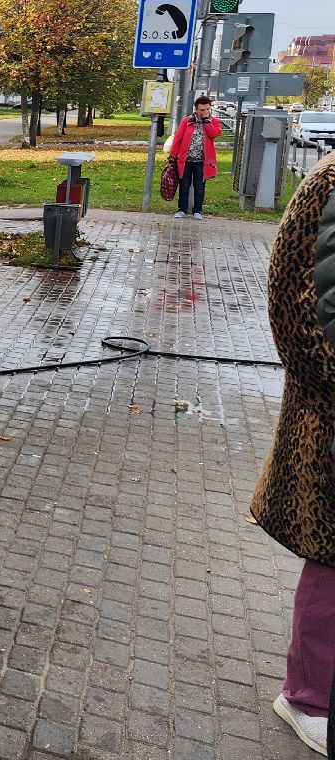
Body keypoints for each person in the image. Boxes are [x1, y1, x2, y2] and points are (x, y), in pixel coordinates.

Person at [252, 149, 335, 755]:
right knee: (331, 561)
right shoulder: (330, 183)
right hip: (329, 421)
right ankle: (306, 696)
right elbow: (294, 302)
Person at [168, 95, 222, 218]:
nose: (205, 112)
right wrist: (173, 155)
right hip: (186, 159)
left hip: (202, 161)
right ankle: (182, 209)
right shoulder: (187, 121)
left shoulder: (213, 121)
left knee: (199, 186)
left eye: (207, 109)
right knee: (184, 185)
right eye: (202, 110)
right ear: (196, 109)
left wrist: (207, 123)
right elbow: (178, 138)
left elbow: (215, 134)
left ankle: (197, 210)